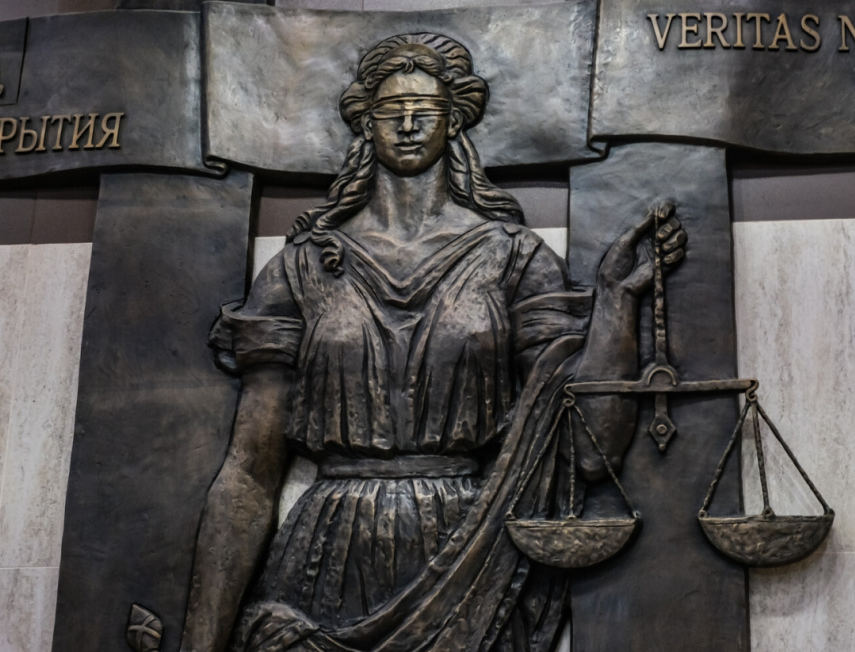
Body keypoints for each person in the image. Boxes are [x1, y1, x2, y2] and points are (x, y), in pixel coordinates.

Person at [181, 32, 685, 652]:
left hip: (468, 557)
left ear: (455, 121)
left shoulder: (514, 259)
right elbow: (249, 472)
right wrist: (200, 643)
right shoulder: (300, 268)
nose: (409, 123)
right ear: (365, 123)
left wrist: (615, 303)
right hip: (326, 562)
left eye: (426, 108)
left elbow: (588, 453)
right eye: (392, 110)